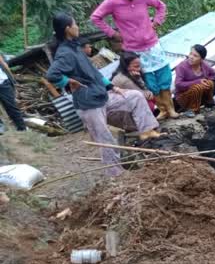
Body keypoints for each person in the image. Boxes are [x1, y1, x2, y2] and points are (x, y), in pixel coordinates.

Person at [46, 13, 162, 176]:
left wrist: (112, 87)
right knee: (106, 140)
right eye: (75, 24)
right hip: (88, 104)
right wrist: (67, 82)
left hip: (101, 95)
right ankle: (115, 175)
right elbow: (52, 75)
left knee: (135, 96)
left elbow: (94, 72)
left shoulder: (76, 48)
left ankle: (148, 133)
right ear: (67, 29)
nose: (77, 27)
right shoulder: (65, 52)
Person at [90, 0, 179, 119]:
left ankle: (171, 108)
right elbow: (96, 17)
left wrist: (156, 22)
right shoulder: (112, 2)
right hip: (133, 50)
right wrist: (113, 33)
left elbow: (160, 6)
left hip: (152, 44)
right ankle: (162, 110)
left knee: (164, 75)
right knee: (148, 80)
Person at [174, 44, 215, 116]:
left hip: (199, 96)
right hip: (184, 96)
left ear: (201, 59)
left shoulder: (203, 64)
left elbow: (214, 73)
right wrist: (198, 81)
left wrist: (206, 81)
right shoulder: (182, 67)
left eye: (195, 56)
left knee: (210, 83)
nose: (191, 57)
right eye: (191, 54)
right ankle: (192, 110)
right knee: (198, 87)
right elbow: (178, 84)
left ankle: (209, 103)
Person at [0, 53, 28, 134]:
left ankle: (22, 128)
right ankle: (1, 128)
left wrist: (12, 80)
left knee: (11, 106)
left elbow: (4, 65)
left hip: (2, 83)